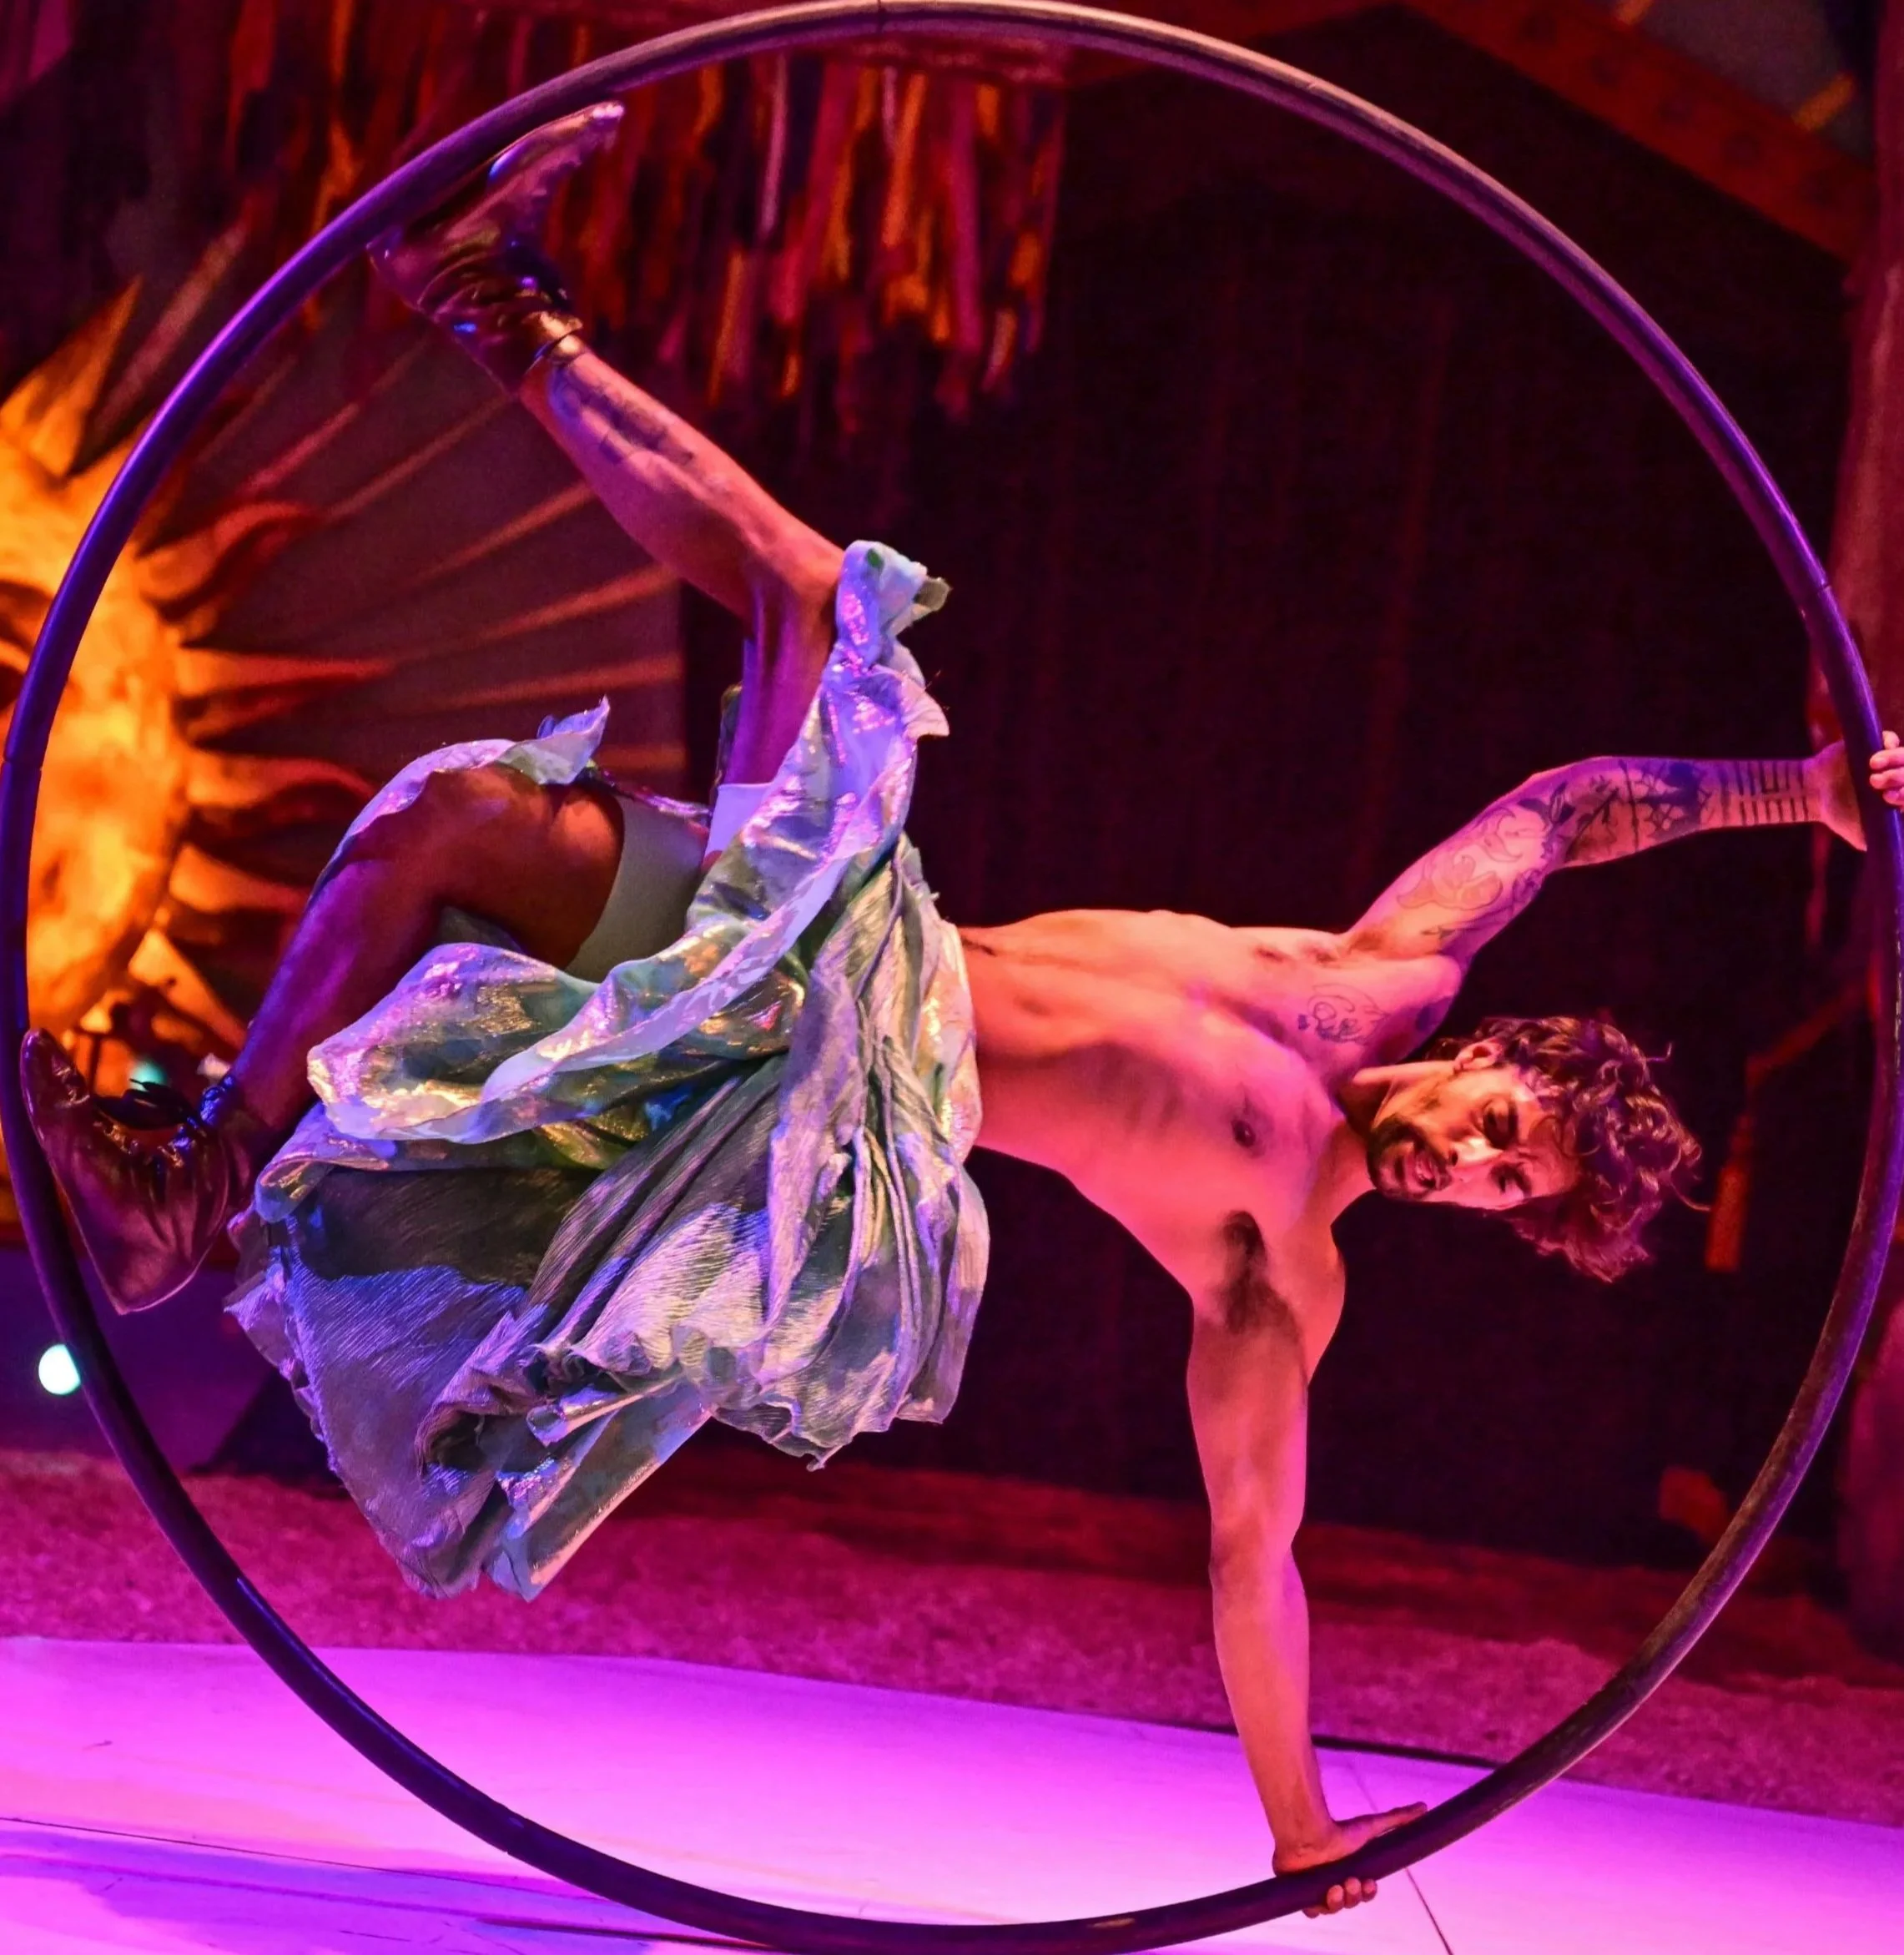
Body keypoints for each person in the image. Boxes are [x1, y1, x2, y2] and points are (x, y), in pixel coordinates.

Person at [21, 104, 1904, 1917]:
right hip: (836, 940)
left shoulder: (1277, 1258)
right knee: (445, 823)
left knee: (808, 597)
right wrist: (1791, 791)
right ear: (1502, 1049)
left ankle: (487, 302)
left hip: (840, 1068)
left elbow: (1258, 1553)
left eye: (1508, 1195)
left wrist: (1300, 1822)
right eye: (1509, 1131)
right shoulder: (1381, 967)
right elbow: (1569, 813)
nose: (1475, 1170)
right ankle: (191, 1191)